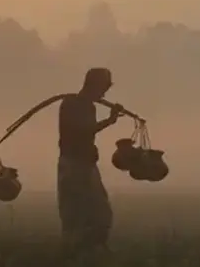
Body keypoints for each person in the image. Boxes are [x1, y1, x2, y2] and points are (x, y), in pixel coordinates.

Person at [57, 67, 124, 260]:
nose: (104, 93)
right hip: (73, 164)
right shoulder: (72, 104)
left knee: (99, 211)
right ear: (94, 85)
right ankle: (72, 254)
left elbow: (87, 131)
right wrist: (110, 121)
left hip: (86, 164)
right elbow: (82, 131)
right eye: (103, 87)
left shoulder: (88, 106)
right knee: (74, 212)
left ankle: (94, 250)